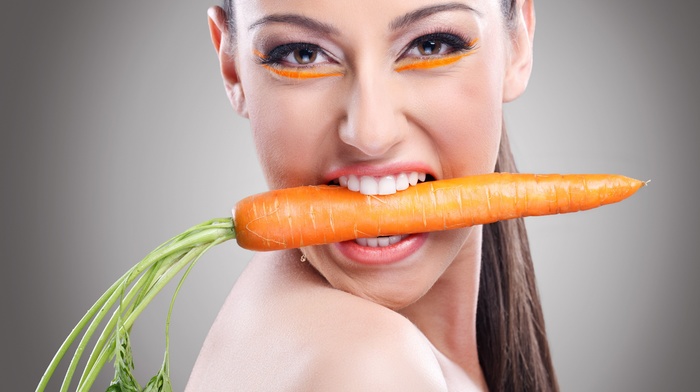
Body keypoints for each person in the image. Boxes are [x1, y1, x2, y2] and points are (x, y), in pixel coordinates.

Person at [187, 0, 557, 390]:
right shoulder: (369, 366)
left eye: (431, 44)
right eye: (303, 54)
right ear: (232, 68)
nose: (371, 135)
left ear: (518, 43)